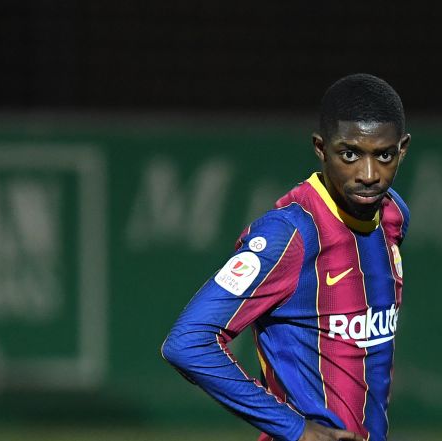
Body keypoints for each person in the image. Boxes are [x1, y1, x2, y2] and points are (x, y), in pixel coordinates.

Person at [161, 73, 411, 441]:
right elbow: (188, 343)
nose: (369, 174)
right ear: (320, 148)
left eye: (384, 155)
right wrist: (296, 429)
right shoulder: (290, 234)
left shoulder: (392, 215)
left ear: (402, 149)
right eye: (349, 154)